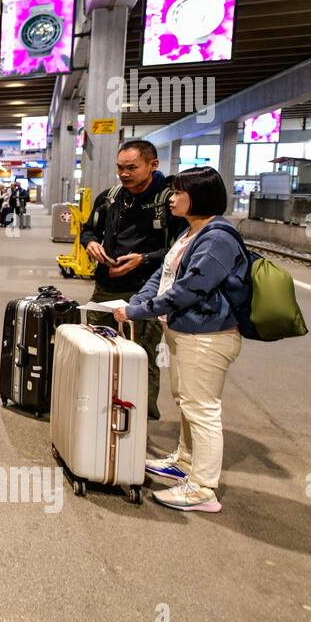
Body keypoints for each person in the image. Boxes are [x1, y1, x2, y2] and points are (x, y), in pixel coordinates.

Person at [114, 167, 248, 513]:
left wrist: (139, 312)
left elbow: (189, 289)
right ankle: (185, 462)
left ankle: (203, 488)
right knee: (185, 400)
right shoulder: (192, 232)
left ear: (199, 196)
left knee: (202, 409)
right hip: (186, 332)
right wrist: (136, 304)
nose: (170, 198)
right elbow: (163, 276)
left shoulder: (218, 237)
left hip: (208, 336)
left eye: (178, 193)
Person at [80, 139, 188, 420]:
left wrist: (144, 259)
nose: (124, 173)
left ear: (153, 165)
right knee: (95, 348)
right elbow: (88, 230)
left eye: (131, 167)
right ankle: (96, 411)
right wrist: (90, 243)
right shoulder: (110, 197)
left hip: (146, 294)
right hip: (105, 288)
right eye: (120, 167)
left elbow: (181, 250)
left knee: (141, 356)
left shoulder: (169, 203)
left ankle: (141, 419)